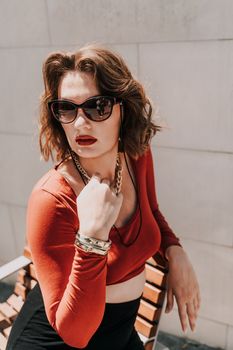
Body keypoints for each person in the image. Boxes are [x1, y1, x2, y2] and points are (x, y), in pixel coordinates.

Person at [6, 44, 201, 350]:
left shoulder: (136, 157)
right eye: (67, 109)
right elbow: (76, 334)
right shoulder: (52, 198)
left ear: (124, 109)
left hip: (121, 333)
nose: (81, 123)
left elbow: (152, 212)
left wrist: (174, 249)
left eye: (98, 107)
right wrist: (92, 237)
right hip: (57, 340)